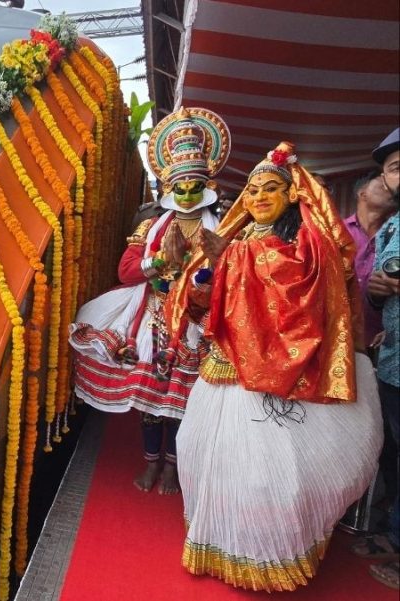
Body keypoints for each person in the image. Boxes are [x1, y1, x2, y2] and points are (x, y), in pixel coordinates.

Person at [171, 142, 383, 591]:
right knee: (200, 451)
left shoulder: (305, 241)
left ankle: (265, 555)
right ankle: (217, 540)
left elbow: (297, 285)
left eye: (270, 188)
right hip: (225, 364)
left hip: (277, 369)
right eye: (252, 190)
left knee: (266, 475)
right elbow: (207, 296)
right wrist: (202, 274)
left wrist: (231, 256)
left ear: (291, 194)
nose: (260, 196)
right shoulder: (238, 236)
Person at [69, 107, 230, 495]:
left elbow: (236, 276)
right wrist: (158, 261)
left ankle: (173, 468)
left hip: (197, 323)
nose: (187, 194)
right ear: (168, 188)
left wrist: (217, 262)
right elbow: (126, 271)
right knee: (149, 405)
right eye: (180, 188)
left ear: (207, 184)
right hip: (156, 319)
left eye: (194, 186)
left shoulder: (223, 228)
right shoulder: (151, 225)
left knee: (181, 406)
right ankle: (152, 462)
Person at [365, 127, 400, 590]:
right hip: (393, 360)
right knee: (392, 451)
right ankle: (393, 537)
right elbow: (379, 292)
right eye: (394, 167)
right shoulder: (390, 227)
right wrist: (376, 292)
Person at [345, 170, 396, 345]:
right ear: (363, 193)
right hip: (338, 339)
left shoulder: (396, 236)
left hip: (385, 341)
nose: (392, 189)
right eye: (384, 184)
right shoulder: (336, 233)